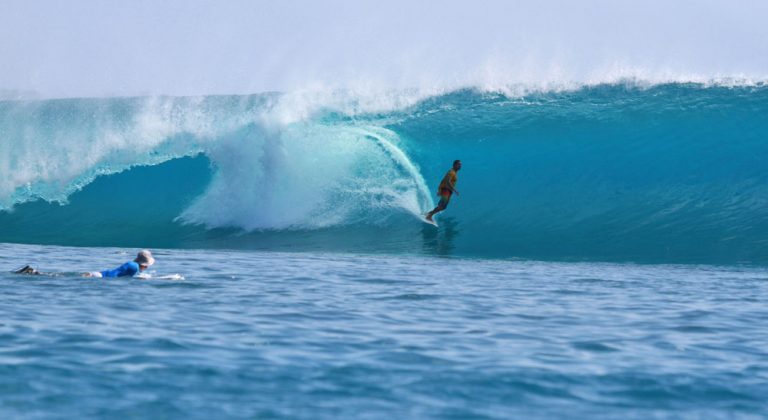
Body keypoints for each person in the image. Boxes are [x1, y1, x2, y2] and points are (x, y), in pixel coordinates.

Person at [83, 249, 155, 278]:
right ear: (143, 264)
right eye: (146, 266)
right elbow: (136, 278)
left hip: (100, 274)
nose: (147, 267)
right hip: (101, 276)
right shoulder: (134, 267)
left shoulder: (133, 264)